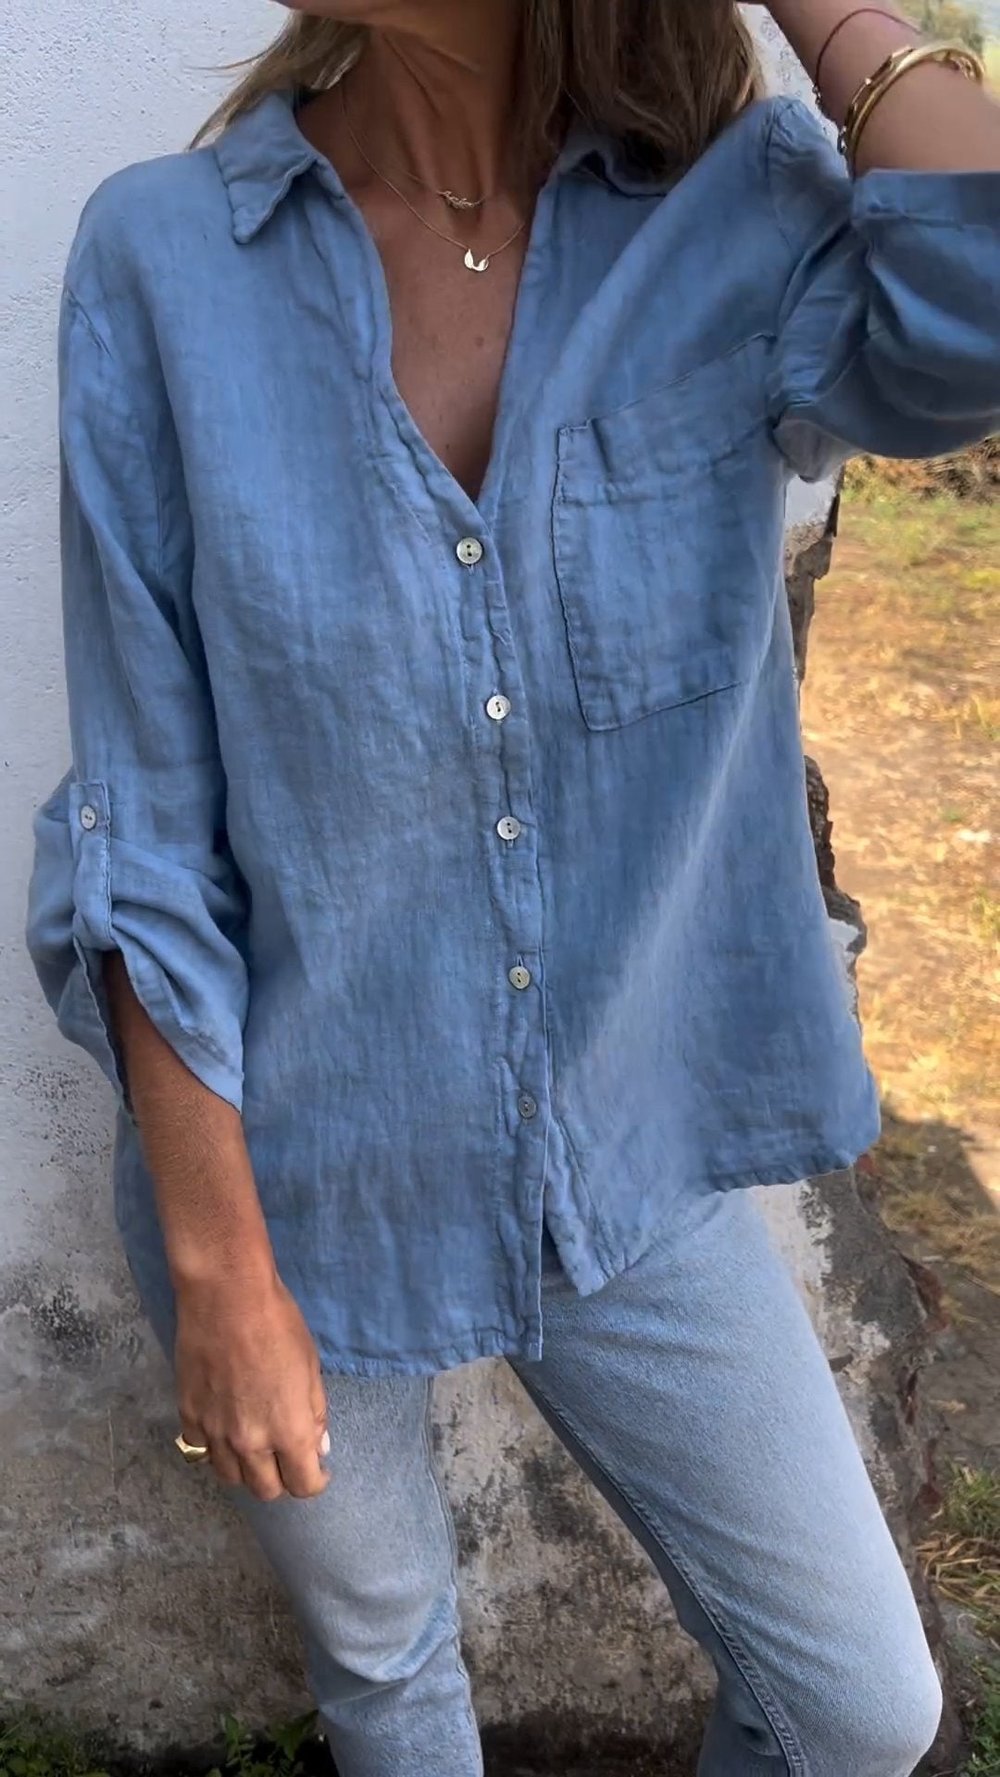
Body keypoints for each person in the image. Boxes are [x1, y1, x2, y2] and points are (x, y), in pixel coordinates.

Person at [27, 0, 1000, 1771]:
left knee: (864, 1704)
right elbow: (142, 829)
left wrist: (826, 13)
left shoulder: (732, 221)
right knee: (393, 1680)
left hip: (622, 1160)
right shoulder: (166, 262)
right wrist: (223, 1270)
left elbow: (979, 305)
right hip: (288, 1176)